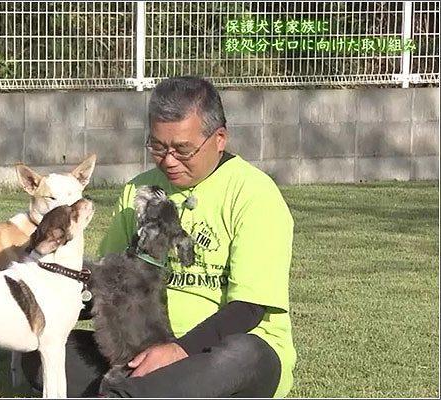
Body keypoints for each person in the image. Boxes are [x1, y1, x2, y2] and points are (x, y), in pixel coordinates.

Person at [22, 76, 296, 398]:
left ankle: (127, 393)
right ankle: (142, 389)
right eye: (157, 146)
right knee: (38, 352)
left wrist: (178, 351)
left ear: (219, 138)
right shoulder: (137, 190)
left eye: (182, 149)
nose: (168, 160)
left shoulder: (254, 194)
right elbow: (105, 285)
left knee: (245, 352)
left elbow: (249, 309)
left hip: (218, 353)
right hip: (140, 351)